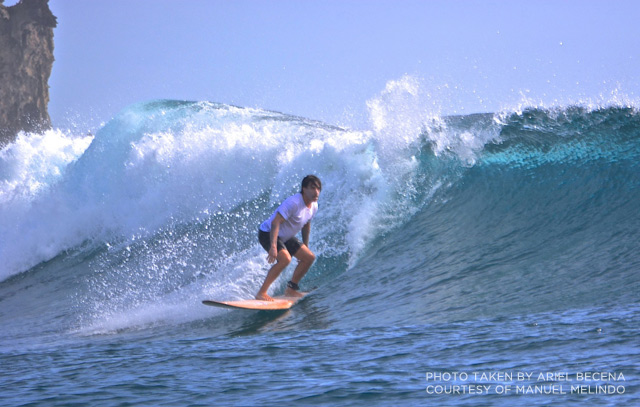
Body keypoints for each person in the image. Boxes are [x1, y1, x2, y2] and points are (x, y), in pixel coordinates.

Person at [256, 175, 322, 301]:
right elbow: (275, 222)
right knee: (285, 259)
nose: (316, 192)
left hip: (285, 236)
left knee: (309, 257)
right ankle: (261, 293)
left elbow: (306, 224)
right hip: (268, 232)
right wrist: (273, 247)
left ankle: (291, 289)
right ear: (304, 189)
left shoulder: (314, 206)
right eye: (312, 188)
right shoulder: (294, 203)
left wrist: (305, 246)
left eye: (318, 189)